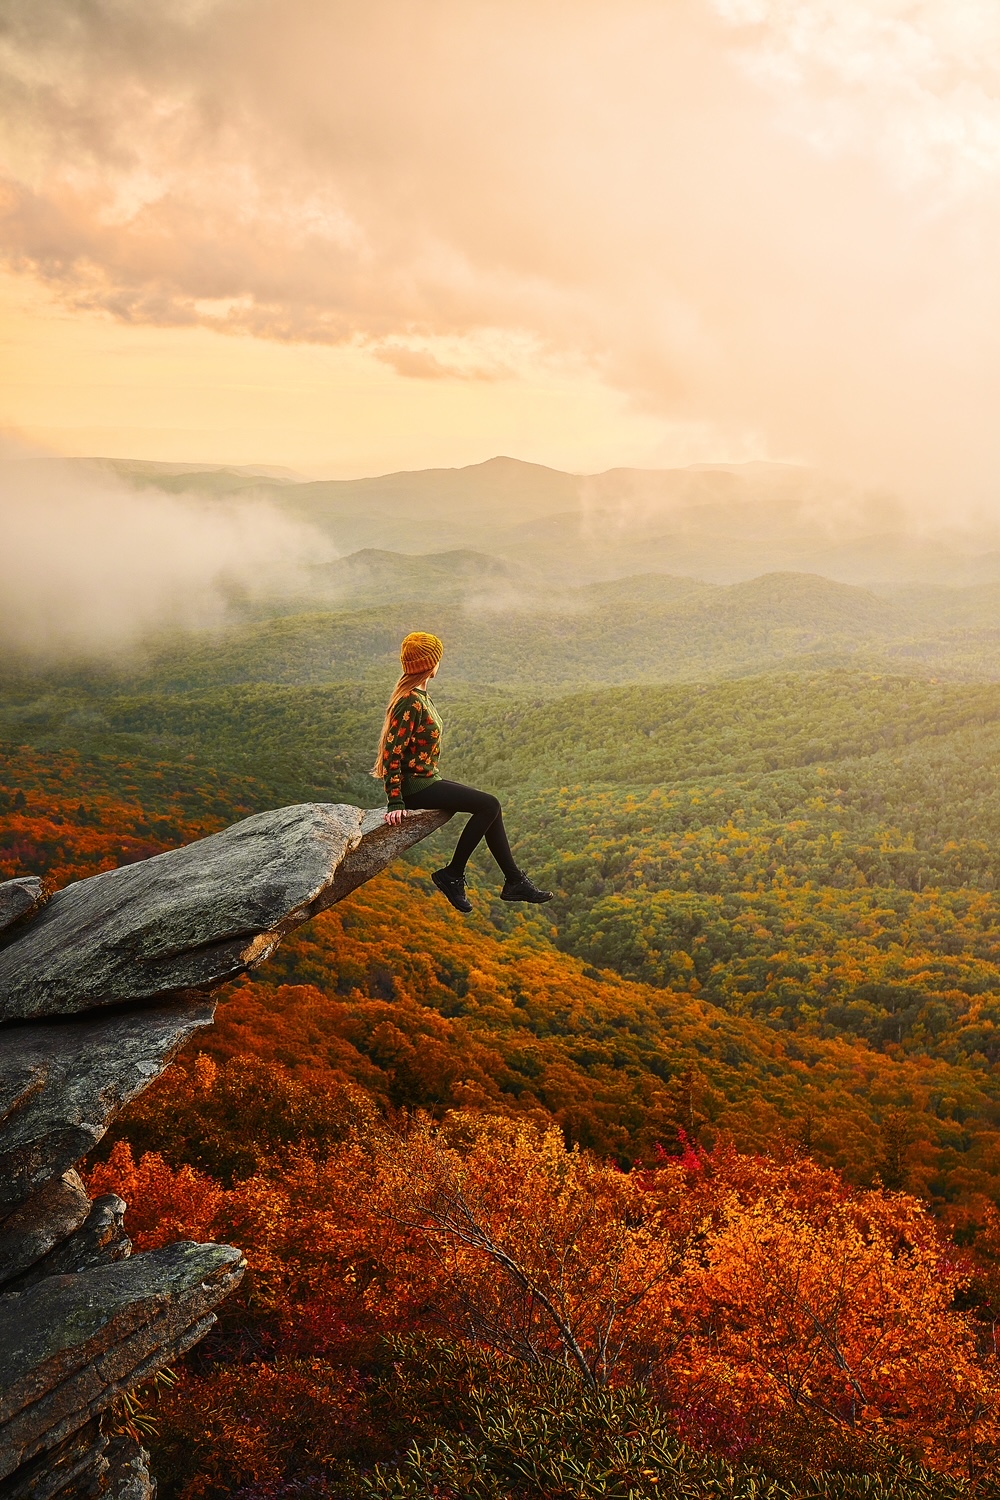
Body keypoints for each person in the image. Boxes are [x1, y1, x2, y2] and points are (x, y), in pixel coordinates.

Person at [373, 631, 552, 914]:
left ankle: (514, 880)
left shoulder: (419, 695)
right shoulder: (410, 701)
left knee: (491, 807)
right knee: (488, 804)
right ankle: (453, 874)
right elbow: (392, 753)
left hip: (426, 779)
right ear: (430, 665)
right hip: (414, 786)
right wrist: (395, 800)